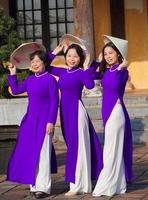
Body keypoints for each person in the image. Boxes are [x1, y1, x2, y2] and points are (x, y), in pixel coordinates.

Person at [48, 41, 103, 196]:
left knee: (77, 148)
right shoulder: (63, 72)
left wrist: (87, 64)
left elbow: (90, 85)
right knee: (72, 146)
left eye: (76, 56)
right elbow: (44, 66)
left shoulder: (80, 73)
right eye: (69, 55)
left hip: (77, 113)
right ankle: (79, 183)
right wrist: (55, 51)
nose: (72, 59)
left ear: (80, 58)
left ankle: (77, 184)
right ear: (65, 57)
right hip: (64, 113)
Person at [7, 50, 59, 199]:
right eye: (33, 62)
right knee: (31, 153)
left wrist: (51, 121)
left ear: (44, 63)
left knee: (43, 154)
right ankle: (34, 185)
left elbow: (55, 102)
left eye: (37, 61)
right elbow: (16, 90)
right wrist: (12, 72)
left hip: (44, 122)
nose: (35, 64)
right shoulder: (30, 80)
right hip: (30, 121)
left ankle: (43, 187)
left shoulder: (50, 80)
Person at [91, 35, 133, 197]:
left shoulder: (122, 71)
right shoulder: (106, 71)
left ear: (118, 54)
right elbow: (90, 75)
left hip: (116, 113)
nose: (108, 56)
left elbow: (115, 86)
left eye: (111, 53)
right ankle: (118, 185)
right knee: (112, 150)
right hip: (107, 113)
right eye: (106, 53)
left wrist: (121, 67)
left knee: (110, 150)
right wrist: (97, 60)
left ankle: (106, 185)